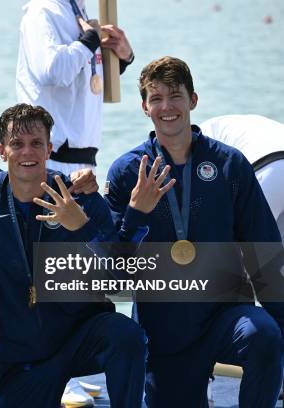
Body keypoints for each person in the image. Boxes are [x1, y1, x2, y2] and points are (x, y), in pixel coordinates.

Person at [0, 103, 175, 407]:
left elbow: (121, 277)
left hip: (82, 337)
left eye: (37, 143)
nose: (27, 152)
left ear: (49, 148)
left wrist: (82, 229)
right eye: (17, 144)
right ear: (1, 150)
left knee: (126, 336)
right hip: (24, 355)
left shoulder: (80, 198)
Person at [105, 56, 284, 407]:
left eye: (175, 96)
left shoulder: (229, 164)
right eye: (156, 99)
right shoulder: (127, 171)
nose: (166, 107)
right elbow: (113, 272)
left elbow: (265, 254)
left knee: (265, 336)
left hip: (225, 315)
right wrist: (135, 213)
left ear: (193, 100)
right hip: (163, 328)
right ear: (144, 107)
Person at [16, 0, 135, 175]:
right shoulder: (41, 11)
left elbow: (83, 78)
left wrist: (124, 58)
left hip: (84, 163)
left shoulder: (75, 8)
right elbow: (53, 71)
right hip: (51, 163)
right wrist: (89, 41)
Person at [200, 114, 284, 242]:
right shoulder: (227, 125)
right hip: (272, 164)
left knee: (247, 250)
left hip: (270, 168)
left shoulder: (199, 138)